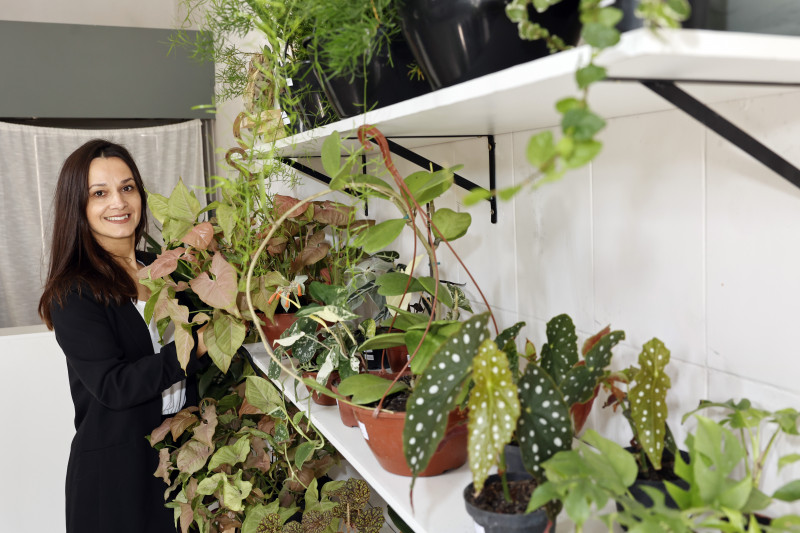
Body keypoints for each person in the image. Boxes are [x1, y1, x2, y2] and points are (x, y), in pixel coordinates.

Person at [38, 139, 207, 533]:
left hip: (180, 462)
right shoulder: (73, 292)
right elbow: (114, 386)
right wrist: (193, 350)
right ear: (78, 207)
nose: (119, 202)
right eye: (100, 193)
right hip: (115, 480)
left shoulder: (164, 268)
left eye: (127, 187)